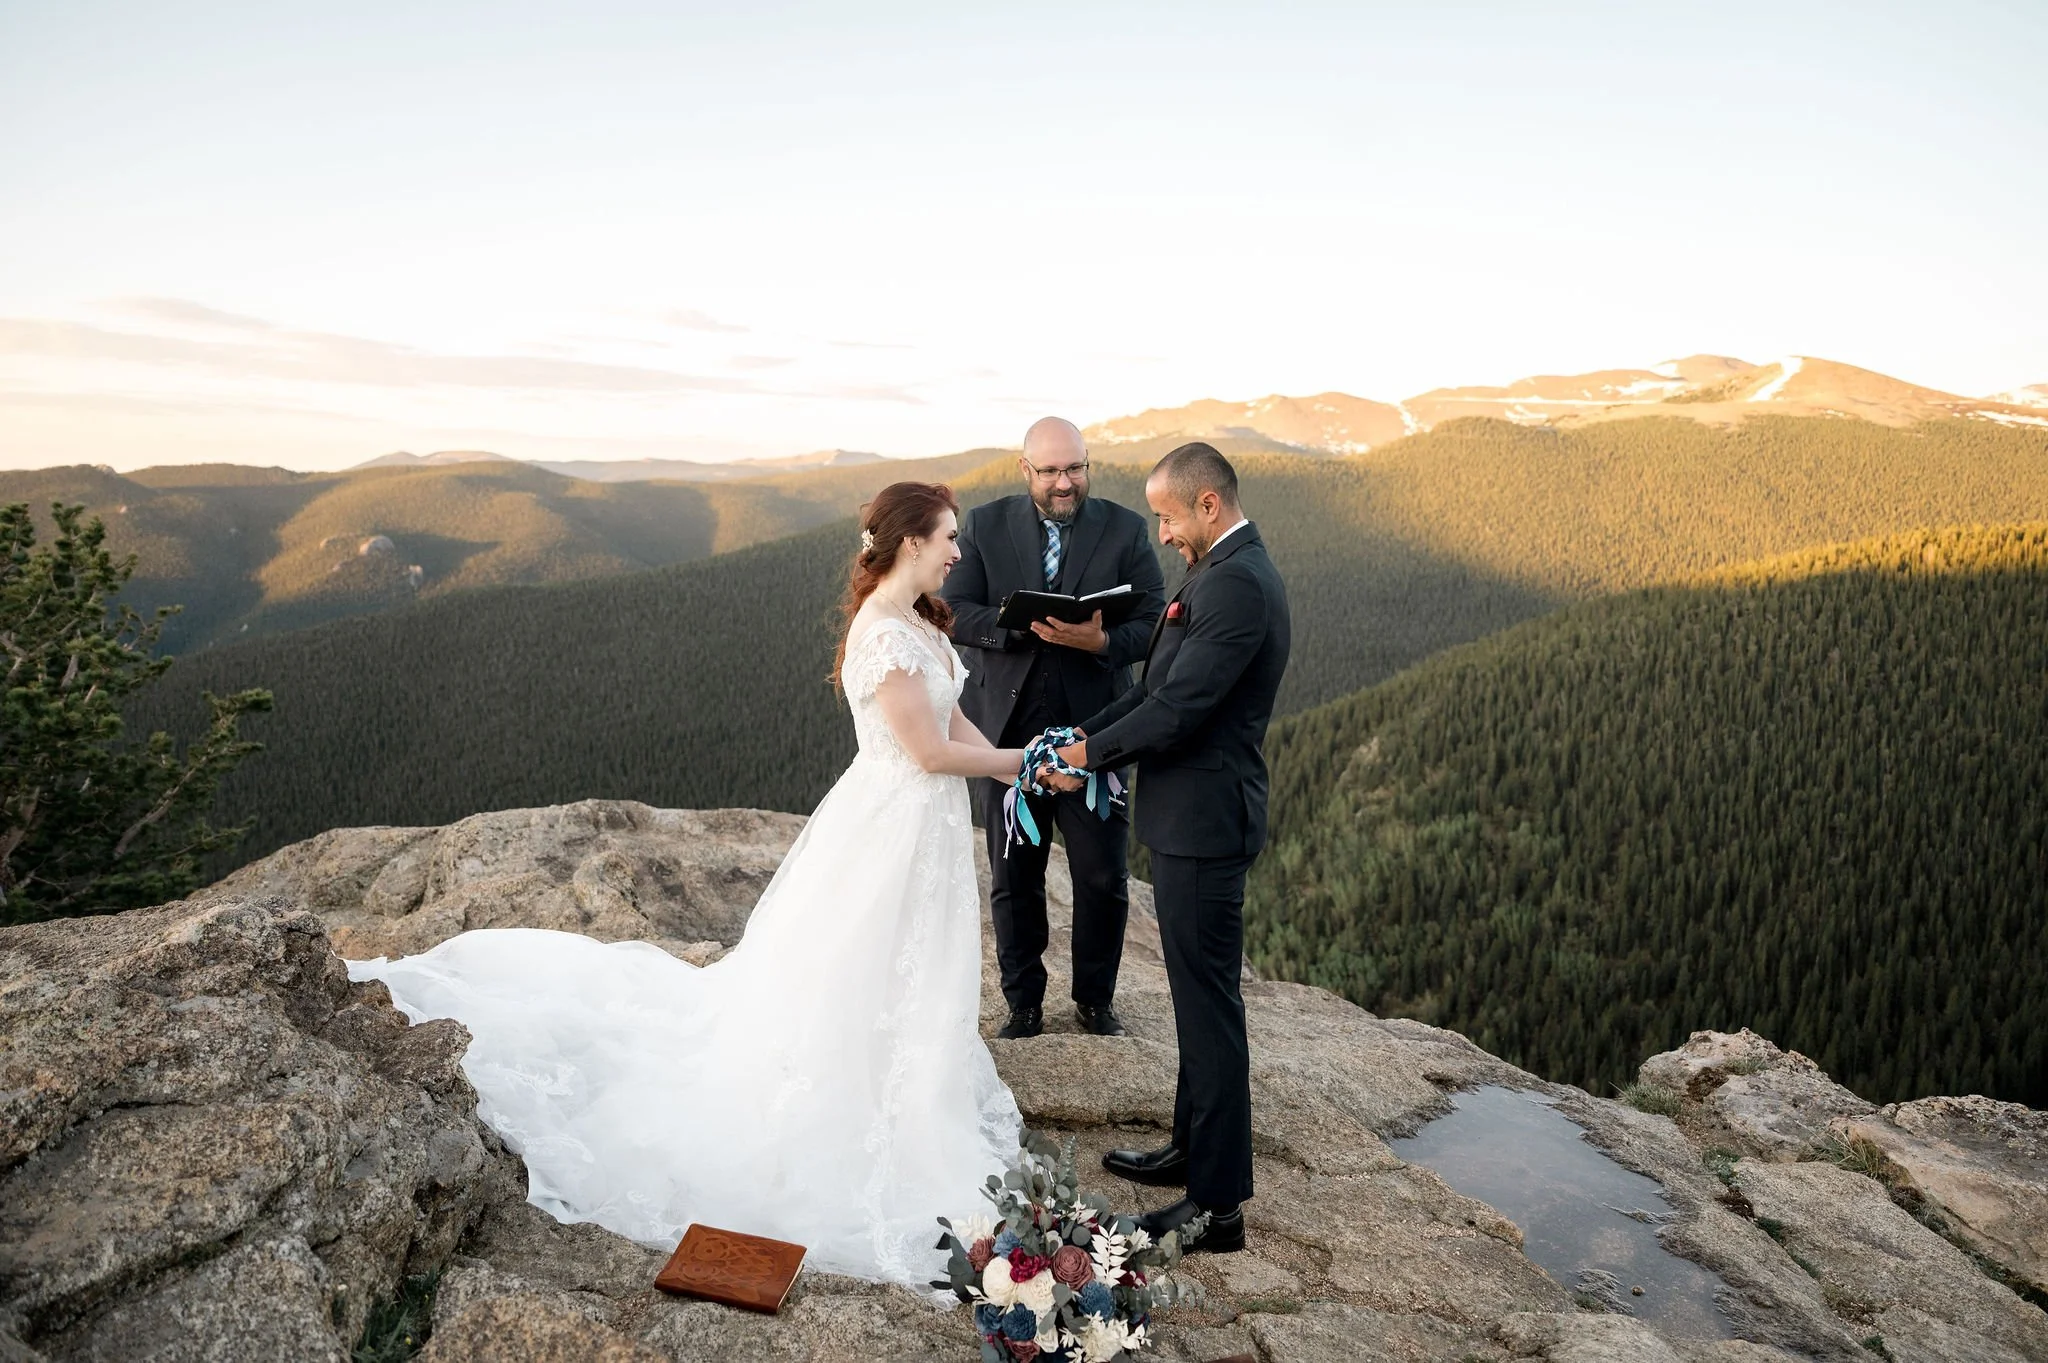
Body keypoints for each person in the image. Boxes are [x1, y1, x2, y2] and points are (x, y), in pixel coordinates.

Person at [348, 482, 1027, 1287]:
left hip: (924, 832)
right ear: (911, 541)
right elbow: (926, 752)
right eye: (949, 536)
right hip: (890, 829)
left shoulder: (921, 621)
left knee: (901, 970)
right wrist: (1024, 764)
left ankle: (900, 1085)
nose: (958, 551)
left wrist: (1022, 758)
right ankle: (847, 1101)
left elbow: (955, 724)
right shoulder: (882, 631)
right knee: (858, 966)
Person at [1042, 442, 1290, 1255]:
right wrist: (1082, 733)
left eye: (1168, 516)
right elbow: (1148, 692)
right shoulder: (1219, 570)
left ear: (1208, 504)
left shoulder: (1241, 585)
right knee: (1194, 998)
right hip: (1188, 821)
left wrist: (1083, 761)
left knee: (1211, 1011)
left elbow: (1179, 709)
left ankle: (1218, 1207)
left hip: (1206, 826)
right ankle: (1192, 1146)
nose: (1163, 533)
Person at [941, 416, 1166, 1040]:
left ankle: (1095, 1001)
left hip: (1095, 735)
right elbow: (953, 610)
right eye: (1050, 472)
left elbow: (1154, 621)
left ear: (1088, 464)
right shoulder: (984, 526)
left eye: (1075, 468)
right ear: (1025, 471)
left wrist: (1099, 641)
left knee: (1101, 875)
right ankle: (1023, 1005)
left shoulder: (1125, 529)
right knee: (1015, 874)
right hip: (1004, 732)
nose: (1064, 483)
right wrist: (1017, 625)